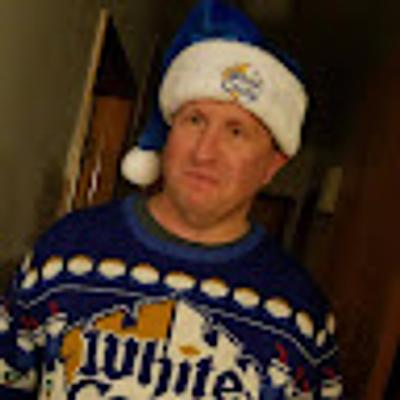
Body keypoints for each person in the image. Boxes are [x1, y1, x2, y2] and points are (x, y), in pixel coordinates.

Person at [0, 0, 344, 399]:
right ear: (169, 133)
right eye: (194, 120)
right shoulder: (63, 250)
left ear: (272, 165)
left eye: (236, 132)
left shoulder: (300, 314)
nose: (205, 152)